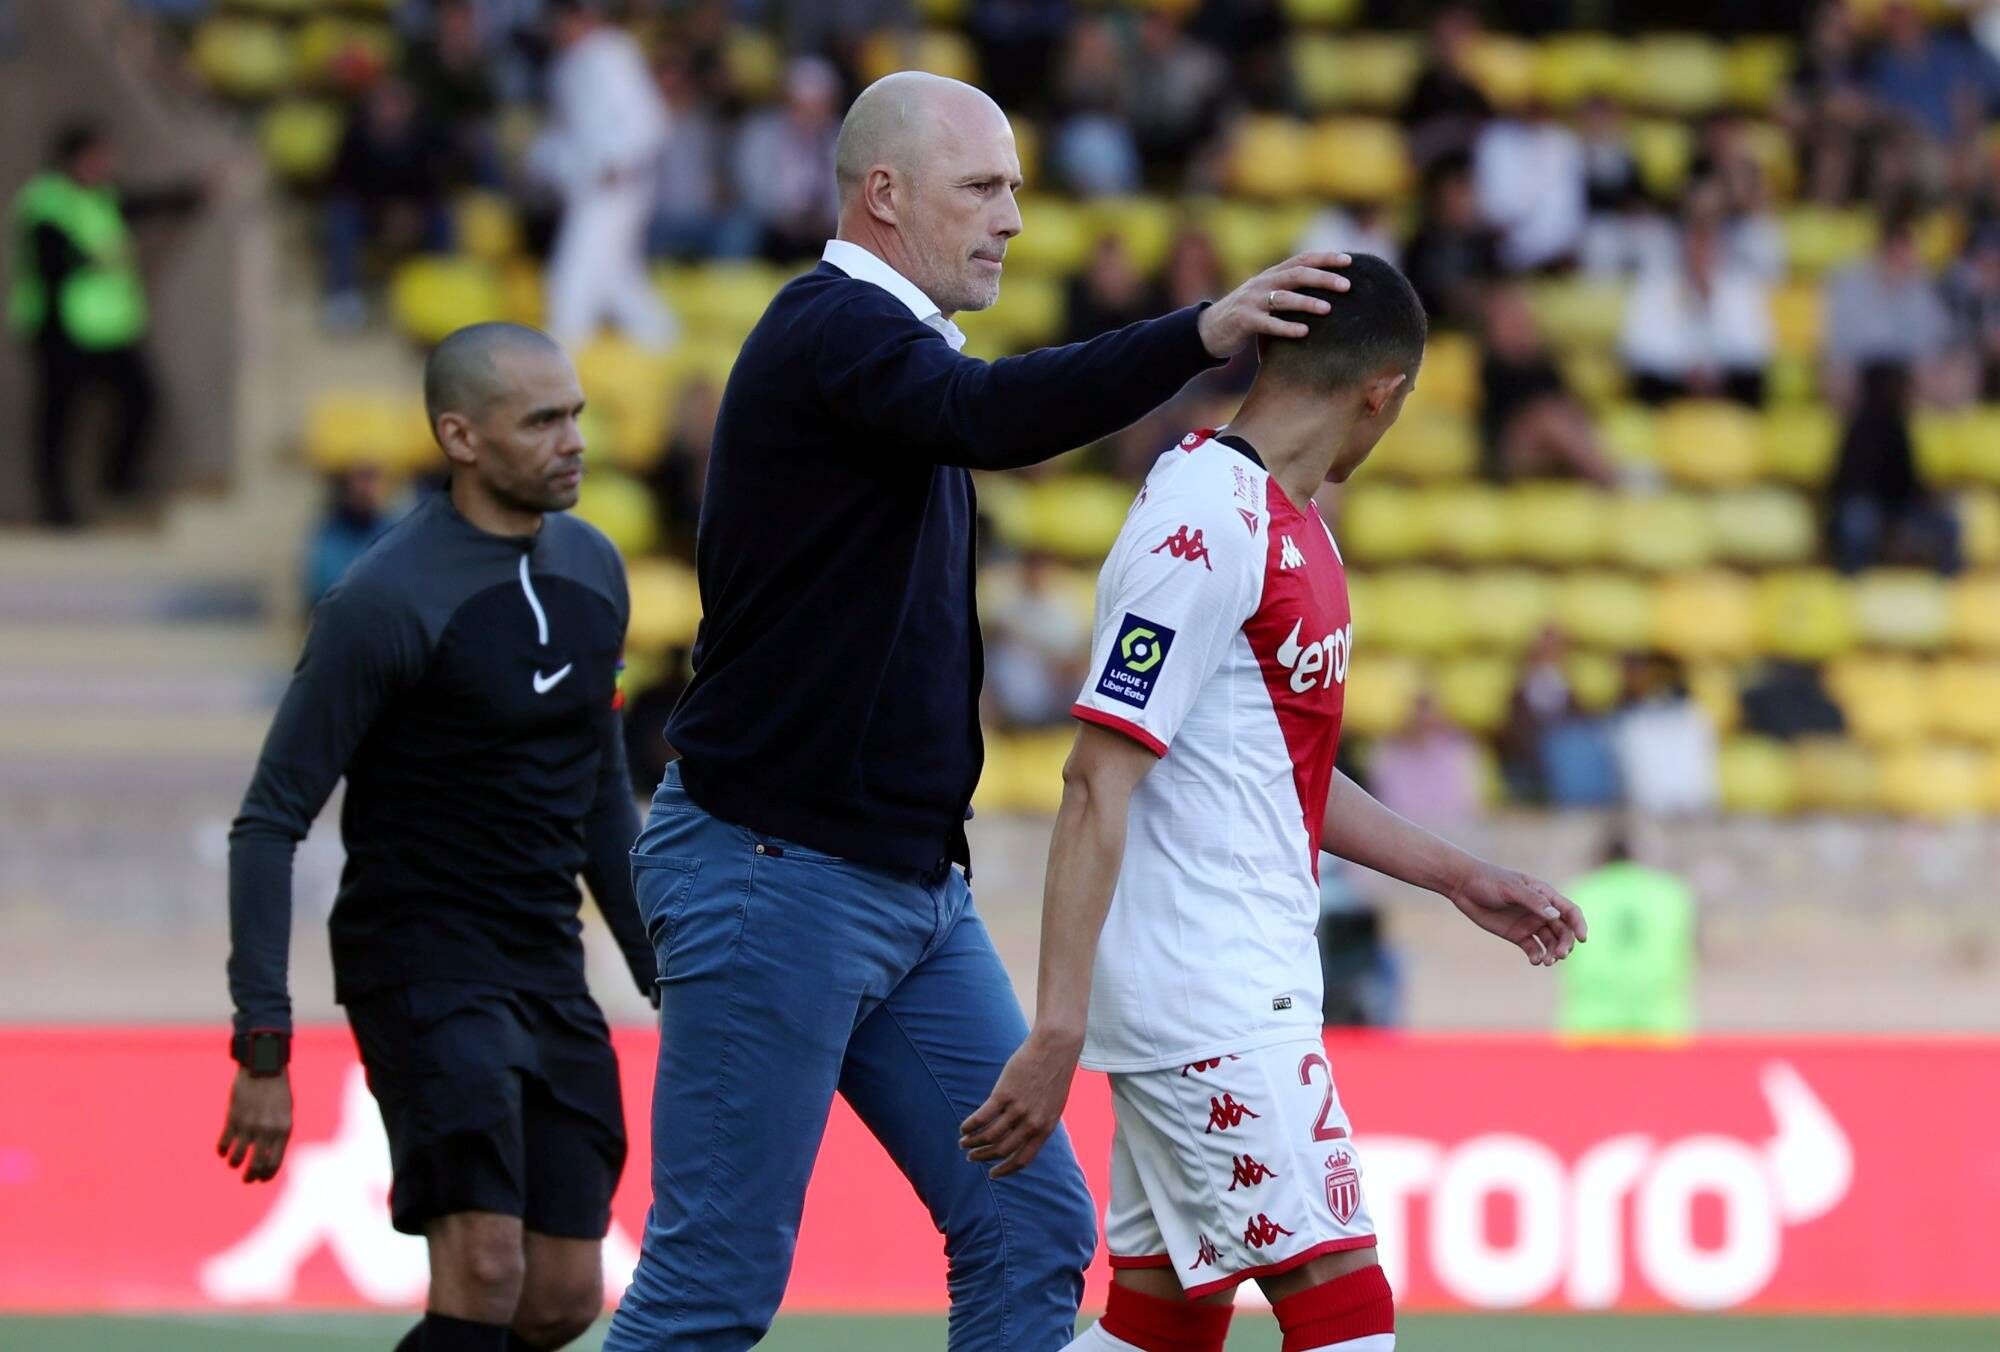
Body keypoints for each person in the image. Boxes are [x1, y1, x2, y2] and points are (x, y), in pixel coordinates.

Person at [606, 69, 1355, 1352]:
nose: (1011, 216)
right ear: (882, 194)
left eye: (1014, 187)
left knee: (1030, 1228)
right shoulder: (830, 327)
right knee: (709, 1289)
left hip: (908, 889)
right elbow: (988, 416)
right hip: (771, 869)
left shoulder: (889, 356)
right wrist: (1197, 332)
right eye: (982, 186)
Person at [959, 257, 1586, 1352]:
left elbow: (1280, 769)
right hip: (1210, 995)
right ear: (1382, 392)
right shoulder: (1202, 519)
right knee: (1348, 1313)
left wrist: (1456, 874)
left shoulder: (1292, 524)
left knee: (1163, 1327)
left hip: (1236, 979)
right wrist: (1056, 1024)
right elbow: (1095, 776)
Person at [218, 323, 658, 1352]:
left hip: (547, 959)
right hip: (420, 959)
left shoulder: (595, 568)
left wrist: (665, 970)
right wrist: (263, 1043)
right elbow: (268, 821)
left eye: (575, 415)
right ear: (461, 437)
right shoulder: (382, 599)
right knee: (485, 1266)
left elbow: (601, 790)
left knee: (562, 1296)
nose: (573, 442)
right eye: (540, 421)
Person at [8, 121, 201, 526]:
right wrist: (93, 258)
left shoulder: (102, 197)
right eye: (96, 157)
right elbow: (50, 260)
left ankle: (118, 479)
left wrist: (188, 194)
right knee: (59, 420)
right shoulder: (47, 202)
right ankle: (56, 506)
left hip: (109, 330)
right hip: (60, 330)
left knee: (140, 399)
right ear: (72, 159)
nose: (105, 165)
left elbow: (139, 204)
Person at [531, 0, 677, 348]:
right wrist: (542, 163)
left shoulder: (612, 52)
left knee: (573, 276)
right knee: (616, 280)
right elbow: (568, 138)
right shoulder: (565, 66)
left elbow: (651, 122)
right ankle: (665, 342)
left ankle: (561, 355)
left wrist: (618, 162)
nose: (560, 29)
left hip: (619, 185)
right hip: (587, 187)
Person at [1557, 832, 1695, 1038]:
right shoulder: (1671, 894)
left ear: (1600, 857)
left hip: (1591, 1022)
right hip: (1660, 1023)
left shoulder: (1578, 893)